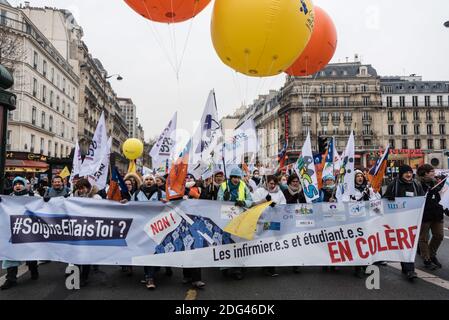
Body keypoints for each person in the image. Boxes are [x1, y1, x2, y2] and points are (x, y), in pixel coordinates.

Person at [383, 165, 425, 281]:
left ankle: (408, 268)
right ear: (401, 174)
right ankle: (408, 268)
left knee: (410, 244)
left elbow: (422, 199)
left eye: (410, 173)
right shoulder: (394, 185)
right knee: (403, 243)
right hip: (398, 220)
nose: (408, 175)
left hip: (412, 220)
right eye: (406, 173)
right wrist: (389, 198)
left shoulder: (416, 184)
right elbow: (384, 200)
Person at [1, 177, 39, 290]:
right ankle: (11, 279)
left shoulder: (33, 197)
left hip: (29, 231)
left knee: (30, 254)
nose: (17, 186)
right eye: (15, 184)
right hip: (13, 230)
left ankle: (33, 269)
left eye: (20, 183)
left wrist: (46, 200)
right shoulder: (8, 199)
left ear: (25, 185)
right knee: (10, 255)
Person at [217, 168, 254, 280]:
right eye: (234, 177)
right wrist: (224, 198)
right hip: (226, 219)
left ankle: (237, 268)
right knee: (226, 242)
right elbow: (218, 200)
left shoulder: (243, 185)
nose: (236, 180)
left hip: (240, 218)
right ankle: (225, 266)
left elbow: (250, 200)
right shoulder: (223, 186)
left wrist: (244, 202)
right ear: (231, 177)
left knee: (238, 242)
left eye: (238, 177)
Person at [252, 175, 286, 277]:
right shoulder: (260, 191)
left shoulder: (279, 193)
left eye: (274, 183)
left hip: (274, 221)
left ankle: (271, 267)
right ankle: (264, 266)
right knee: (264, 243)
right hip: (262, 221)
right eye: (270, 183)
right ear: (266, 183)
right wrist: (264, 201)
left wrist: (275, 205)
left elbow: (284, 205)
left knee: (272, 244)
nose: (272, 185)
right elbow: (253, 204)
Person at [71, 178, 102, 287]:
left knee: (86, 255)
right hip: (77, 230)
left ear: (88, 188)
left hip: (90, 230)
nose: (81, 190)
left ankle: (84, 277)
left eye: (83, 188)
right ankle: (75, 275)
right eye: (79, 188)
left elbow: (103, 210)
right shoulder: (73, 198)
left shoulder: (96, 198)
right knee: (76, 255)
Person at [416, 164, 448, 270]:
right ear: (425, 173)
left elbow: (440, 197)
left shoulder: (436, 183)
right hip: (424, 214)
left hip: (437, 214)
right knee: (423, 238)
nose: (434, 173)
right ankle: (427, 259)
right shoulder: (417, 184)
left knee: (439, 235)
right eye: (432, 171)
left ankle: (431, 254)